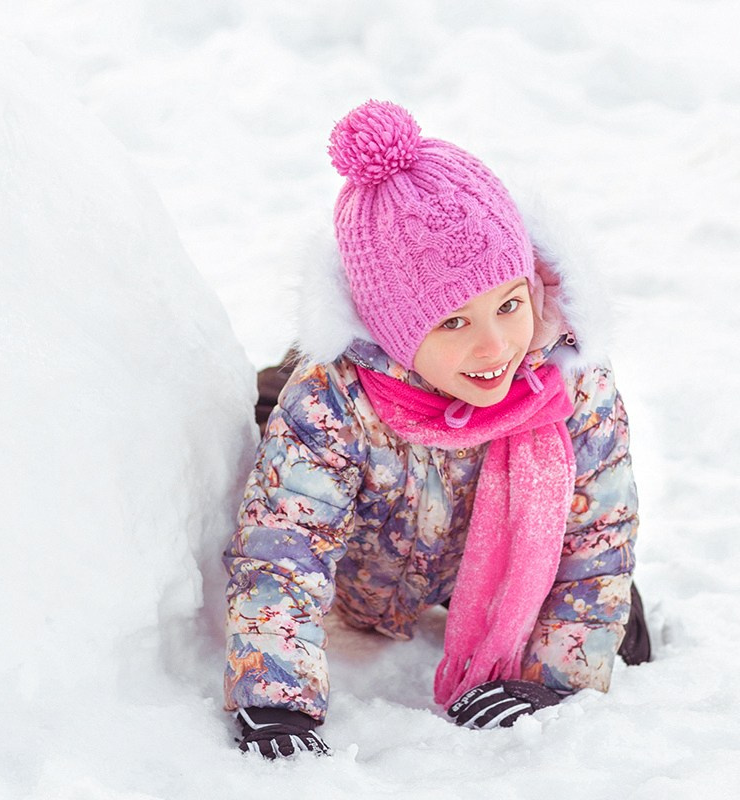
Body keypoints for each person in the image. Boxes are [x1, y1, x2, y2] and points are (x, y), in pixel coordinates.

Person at [224, 100, 650, 759]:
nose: (494, 346)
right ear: (393, 329)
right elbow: (287, 545)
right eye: (453, 322)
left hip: (479, 559)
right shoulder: (336, 401)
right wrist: (276, 698)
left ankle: (567, 592)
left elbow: (599, 528)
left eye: (508, 305)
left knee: (590, 578)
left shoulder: (568, 376)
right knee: (279, 412)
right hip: (372, 562)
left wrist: (559, 669)